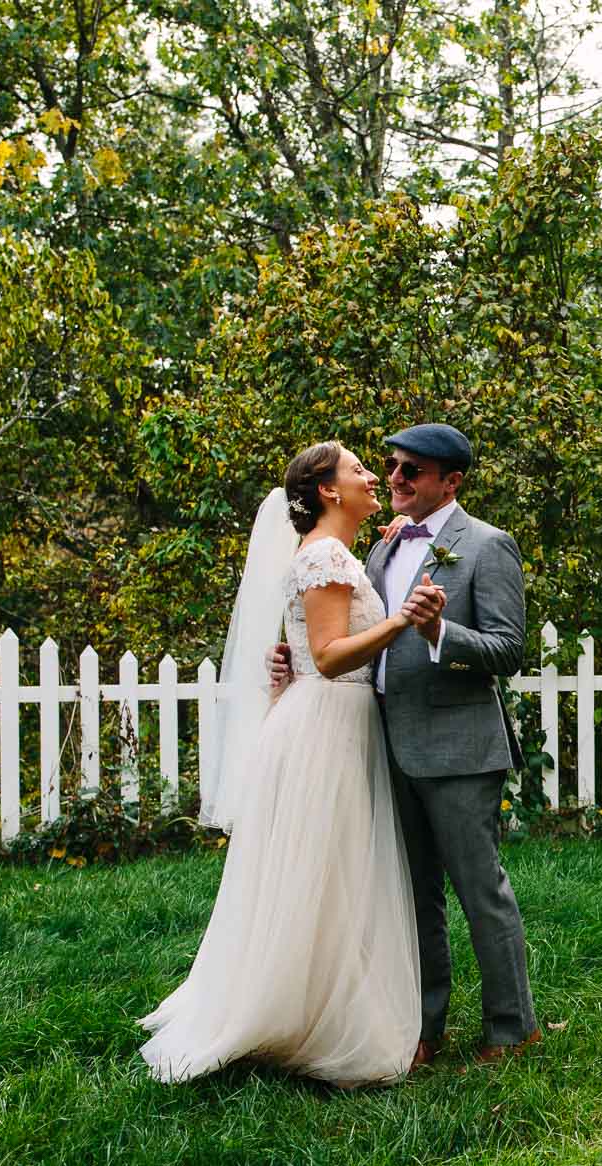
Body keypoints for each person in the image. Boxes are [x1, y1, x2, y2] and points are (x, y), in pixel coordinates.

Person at [139, 442, 440, 1086]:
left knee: (325, 876)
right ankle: (305, 1018)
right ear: (329, 491)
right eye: (359, 470)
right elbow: (331, 656)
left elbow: (308, 649)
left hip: (327, 719)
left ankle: (312, 1003)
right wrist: (401, 623)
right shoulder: (326, 556)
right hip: (328, 724)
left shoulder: (333, 553)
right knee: (325, 873)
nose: (372, 478)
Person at [270, 422, 539, 1068]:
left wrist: (442, 630)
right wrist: (296, 660)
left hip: (460, 748)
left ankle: (512, 1026)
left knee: (480, 890)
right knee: (413, 896)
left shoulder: (487, 546)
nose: (394, 479)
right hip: (387, 744)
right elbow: (346, 626)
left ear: (451, 481)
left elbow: (508, 650)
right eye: (390, 467)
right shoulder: (383, 551)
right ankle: (423, 1027)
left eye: (411, 470)